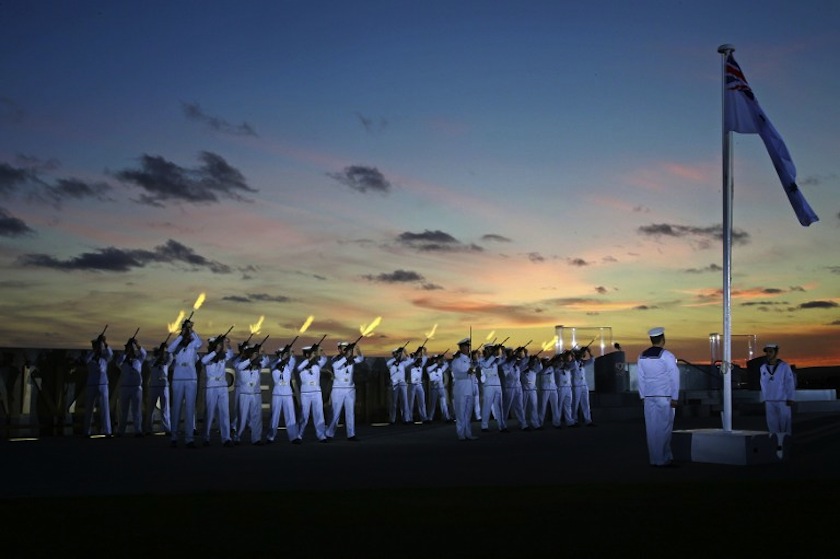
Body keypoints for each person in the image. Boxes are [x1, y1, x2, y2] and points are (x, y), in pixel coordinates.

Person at [636, 326, 680, 467]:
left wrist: (642, 395)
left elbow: (640, 378)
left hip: (649, 396)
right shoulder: (667, 355)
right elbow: (674, 377)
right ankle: (663, 458)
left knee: (652, 428)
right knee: (664, 428)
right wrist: (675, 396)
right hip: (664, 395)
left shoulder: (642, 356)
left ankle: (655, 458)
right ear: (663, 339)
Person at [167, 318, 203, 448]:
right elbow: (169, 349)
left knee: (189, 408)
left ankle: (189, 438)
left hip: (191, 378)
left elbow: (199, 343)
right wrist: (181, 335)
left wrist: (191, 330)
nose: (187, 336)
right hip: (178, 378)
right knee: (176, 407)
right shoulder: (177, 345)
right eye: (185, 333)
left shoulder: (193, 344)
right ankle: (174, 437)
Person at [759, 343, 796, 458]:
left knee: (784, 423)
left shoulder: (784, 366)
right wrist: (764, 398)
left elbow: (789, 382)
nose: (768, 354)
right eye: (767, 352)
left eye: (771, 351)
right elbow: (763, 384)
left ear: (776, 352)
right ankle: (776, 445)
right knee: (772, 424)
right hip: (770, 400)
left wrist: (790, 397)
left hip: (782, 400)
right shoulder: (763, 368)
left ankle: (787, 445)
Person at [325, 341, 364, 441]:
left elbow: (360, 358)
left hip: (350, 389)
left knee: (350, 413)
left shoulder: (351, 359)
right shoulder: (336, 358)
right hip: (338, 389)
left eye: (348, 348)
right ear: (339, 349)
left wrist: (358, 350)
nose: (347, 350)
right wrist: (346, 356)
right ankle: (329, 434)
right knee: (335, 413)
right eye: (344, 348)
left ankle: (351, 434)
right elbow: (335, 366)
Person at [201, 334, 234, 447]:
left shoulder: (223, 356)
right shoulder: (209, 356)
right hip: (212, 386)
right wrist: (215, 352)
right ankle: (205, 437)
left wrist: (227, 344)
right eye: (218, 344)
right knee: (209, 412)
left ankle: (226, 438)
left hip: (222, 385)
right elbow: (204, 361)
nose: (220, 346)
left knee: (225, 412)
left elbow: (231, 354)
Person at [233, 340, 268, 446]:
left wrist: (262, 352)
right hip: (245, 394)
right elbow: (239, 367)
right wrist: (250, 359)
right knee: (242, 417)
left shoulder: (258, 364)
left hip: (256, 394)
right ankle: (237, 437)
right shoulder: (241, 363)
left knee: (257, 417)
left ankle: (256, 438)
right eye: (254, 353)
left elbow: (266, 361)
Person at [266, 343, 300, 444]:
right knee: (275, 416)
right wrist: (281, 358)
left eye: (287, 354)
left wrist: (290, 352)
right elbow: (274, 366)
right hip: (277, 392)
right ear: (280, 354)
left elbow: (293, 360)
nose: (287, 356)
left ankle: (293, 437)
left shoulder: (289, 364)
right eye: (284, 354)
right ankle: (270, 436)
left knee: (290, 415)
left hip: (287, 392)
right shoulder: (274, 363)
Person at [296, 344, 328, 442]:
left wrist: (320, 350)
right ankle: (299, 435)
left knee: (319, 414)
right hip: (305, 393)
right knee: (304, 415)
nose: (314, 355)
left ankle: (321, 435)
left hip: (316, 392)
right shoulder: (302, 365)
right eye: (311, 353)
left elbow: (325, 358)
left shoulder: (317, 364)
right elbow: (299, 368)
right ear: (307, 355)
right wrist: (309, 359)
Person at [83, 333, 113, 437]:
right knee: (89, 409)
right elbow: (85, 360)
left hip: (103, 384)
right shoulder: (89, 356)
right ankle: (86, 431)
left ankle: (107, 431)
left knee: (105, 408)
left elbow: (110, 353)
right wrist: (94, 351)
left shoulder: (104, 358)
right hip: (92, 384)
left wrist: (104, 342)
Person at [115, 336, 146, 437]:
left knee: (136, 410)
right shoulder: (122, 361)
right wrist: (125, 352)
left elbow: (144, 354)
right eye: (129, 349)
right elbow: (117, 362)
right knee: (123, 411)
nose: (131, 350)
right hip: (125, 387)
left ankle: (138, 430)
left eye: (131, 349)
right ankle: (121, 431)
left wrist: (137, 345)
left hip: (136, 388)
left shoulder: (138, 360)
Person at [450, 338, 478, 440]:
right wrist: (467, 373)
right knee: (460, 413)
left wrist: (474, 388)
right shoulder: (456, 361)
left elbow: (473, 376)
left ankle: (468, 433)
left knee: (468, 414)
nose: (468, 348)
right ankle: (460, 433)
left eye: (468, 346)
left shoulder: (470, 360)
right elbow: (457, 375)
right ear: (461, 348)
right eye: (466, 346)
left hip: (469, 389)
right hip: (460, 389)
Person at [145, 340, 172, 436]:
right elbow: (150, 365)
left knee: (165, 408)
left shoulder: (166, 361)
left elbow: (170, 358)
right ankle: (148, 428)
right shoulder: (153, 360)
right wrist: (158, 358)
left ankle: (167, 428)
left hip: (164, 386)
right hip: (154, 386)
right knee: (150, 408)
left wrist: (167, 350)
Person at [479, 344, 507, 432]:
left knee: (499, 406)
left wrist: (502, 351)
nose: (491, 351)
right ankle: (484, 426)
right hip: (489, 385)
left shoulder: (495, 359)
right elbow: (486, 365)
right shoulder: (482, 360)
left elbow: (503, 360)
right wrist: (494, 355)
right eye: (490, 349)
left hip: (497, 385)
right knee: (487, 406)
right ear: (486, 350)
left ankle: (502, 426)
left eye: (492, 349)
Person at [501, 346, 528, 431]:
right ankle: (503, 425)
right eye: (511, 353)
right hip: (509, 387)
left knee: (520, 406)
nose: (512, 354)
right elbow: (508, 366)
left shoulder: (516, 365)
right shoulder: (504, 364)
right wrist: (514, 358)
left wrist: (524, 353)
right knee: (506, 407)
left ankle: (523, 424)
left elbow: (525, 363)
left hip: (518, 387)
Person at [386, 346, 414, 424]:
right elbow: (388, 364)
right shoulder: (390, 363)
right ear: (393, 354)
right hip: (394, 384)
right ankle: (392, 420)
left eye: (398, 353)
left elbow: (410, 360)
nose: (397, 354)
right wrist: (396, 358)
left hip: (402, 384)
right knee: (393, 403)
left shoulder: (402, 364)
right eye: (395, 353)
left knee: (405, 402)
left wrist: (405, 351)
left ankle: (406, 419)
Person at [571, 345, 596, 426]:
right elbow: (574, 363)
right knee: (575, 404)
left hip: (584, 385)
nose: (581, 355)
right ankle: (574, 420)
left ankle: (588, 420)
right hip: (576, 386)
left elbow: (592, 360)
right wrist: (575, 355)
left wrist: (589, 352)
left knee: (586, 404)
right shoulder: (573, 363)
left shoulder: (582, 362)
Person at [426, 352, 453, 422]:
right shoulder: (429, 368)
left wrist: (443, 359)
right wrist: (437, 363)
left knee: (444, 404)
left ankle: (447, 418)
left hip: (441, 388)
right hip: (434, 389)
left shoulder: (440, 369)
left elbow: (446, 364)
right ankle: (430, 418)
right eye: (435, 359)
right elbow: (429, 370)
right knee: (433, 404)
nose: (436, 361)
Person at [406, 346, 430, 423]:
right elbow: (409, 360)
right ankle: (409, 418)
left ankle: (424, 417)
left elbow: (425, 358)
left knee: (422, 402)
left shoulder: (420, 364)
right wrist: (414, 356)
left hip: (419, 384)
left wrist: (424, 350)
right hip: (411, 384)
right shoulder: (410, 364)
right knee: (410, 402)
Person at [537, 355, 561, 428]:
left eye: (548, 360)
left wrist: (556, 360)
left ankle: (556, 423)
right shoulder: (540, 368)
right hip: (545, 389)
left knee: (555, 407)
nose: (547, 362)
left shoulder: (552, 367)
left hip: (553, 389)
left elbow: (559, 366)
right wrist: (550, 364)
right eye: (545, 361)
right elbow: (544, 371)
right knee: (542, 407)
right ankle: (540, 423)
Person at [556, 350, 577, 427]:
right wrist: (561, 359)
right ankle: (557, 422)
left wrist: (573, 356)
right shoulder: (558, 367)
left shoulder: (568, 366)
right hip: (560, 387)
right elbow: (559, 365)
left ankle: (569, 421)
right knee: (559, 406)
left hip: (568, 387)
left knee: (568, 405)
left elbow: (574, 365)